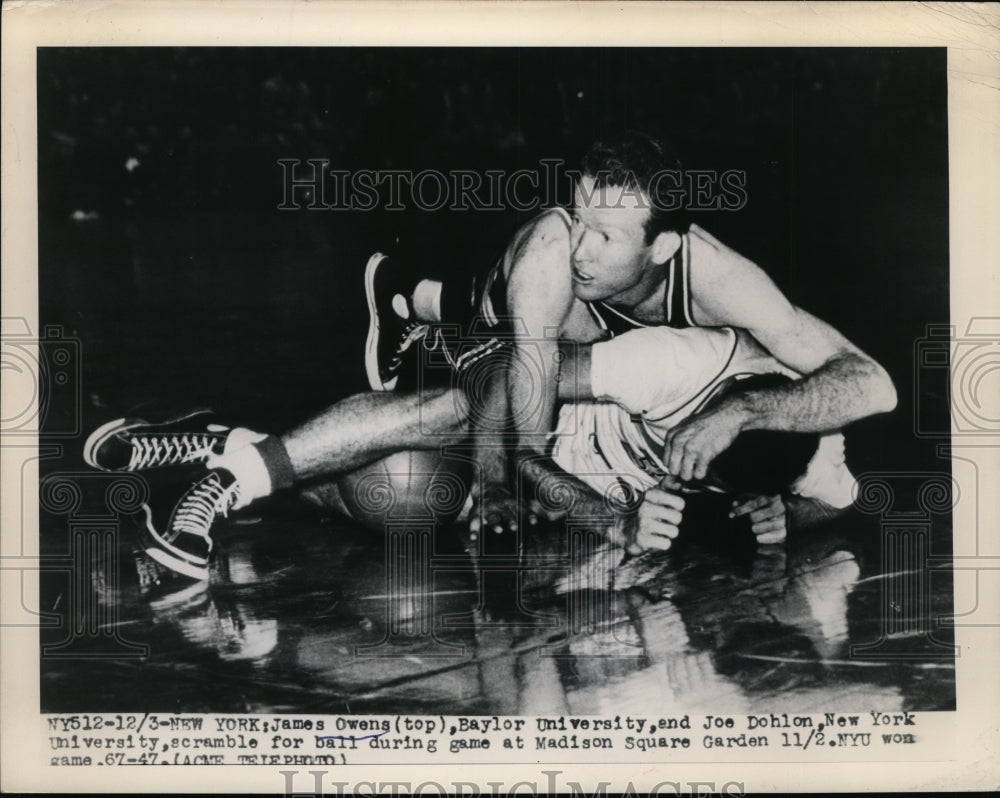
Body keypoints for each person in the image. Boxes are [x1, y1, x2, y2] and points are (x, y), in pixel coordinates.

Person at [83, 132, 895, 580]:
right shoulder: (569, 261)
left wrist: (778, 509)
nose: (583, 243)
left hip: (589, 384)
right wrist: (517, 490)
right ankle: (226, 482)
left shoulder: (721, 287)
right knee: (462, 402)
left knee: (411, 504)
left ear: (665, 246)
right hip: (515, 339)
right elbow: (520, 419)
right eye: (581, 218)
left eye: (606, 236)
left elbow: (874, 387)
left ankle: (225, 436)